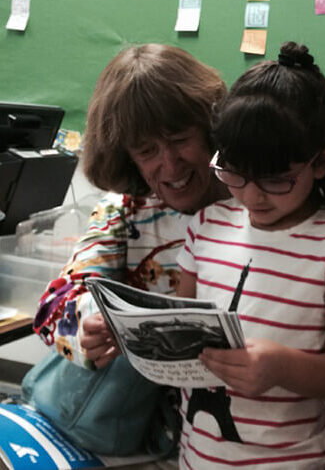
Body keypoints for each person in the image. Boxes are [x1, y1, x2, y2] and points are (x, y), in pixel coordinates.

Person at [176, 41, 325, 469]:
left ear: (322, 160)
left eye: (276, 179)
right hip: (196, 457)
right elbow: (180, 328)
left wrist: (280, 367)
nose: (251, 195)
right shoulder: (207, 223)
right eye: (234, 172)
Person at [30, 44, 228, 466]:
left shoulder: (257, 200)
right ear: (126, 155)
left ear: (211, 128)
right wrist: (88, 322)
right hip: (143, 439)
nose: (170, 166)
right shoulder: (125, 209)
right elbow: (52, 307)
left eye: (180, 141)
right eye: (147, 151)